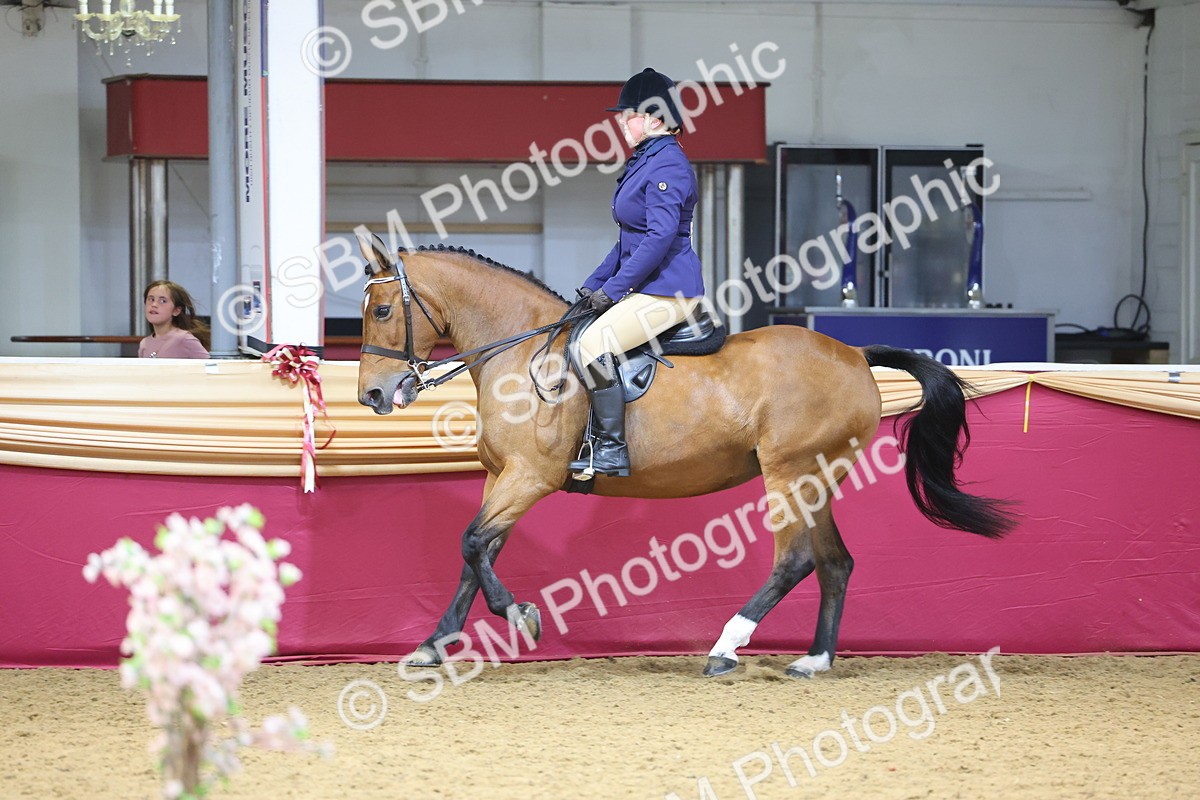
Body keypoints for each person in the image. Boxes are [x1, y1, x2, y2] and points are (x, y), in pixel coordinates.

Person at [569, 67, 705, 481]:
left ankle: (610, 449)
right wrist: (594, 286)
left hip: (669, 292)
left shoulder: (668, 167)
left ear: (656, 119)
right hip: (646, 286)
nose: (620, 121)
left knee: (591, 346)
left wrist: (615, 290)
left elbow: (659, 238)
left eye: (628, 114)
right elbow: (629, 239)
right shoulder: (646, 160)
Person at [138, 280, 211, 359]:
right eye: (151, 299)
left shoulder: (184, 339)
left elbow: (210, 366)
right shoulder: (144, 343)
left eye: (163, 301)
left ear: (176, 310)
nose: (154, 305)